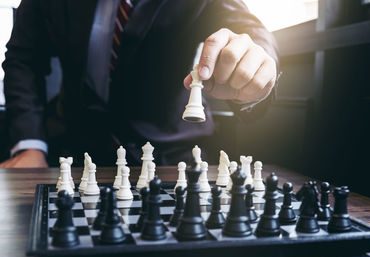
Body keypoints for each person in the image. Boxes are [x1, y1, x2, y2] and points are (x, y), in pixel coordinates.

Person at [0, 0, 278, 168]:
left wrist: (255, 63)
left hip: (171, 154)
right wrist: (30, 145)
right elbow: (23, 59)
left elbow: (245, 26)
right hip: (72, 149)